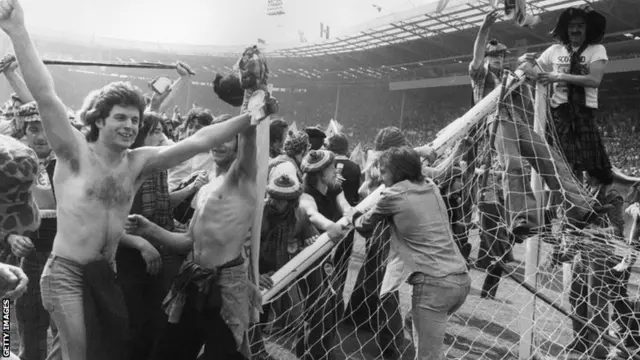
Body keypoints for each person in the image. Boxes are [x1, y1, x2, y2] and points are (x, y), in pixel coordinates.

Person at [0, 1, 276, 358]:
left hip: (107, 272)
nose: (130, 126)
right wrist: (18, 30)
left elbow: (199, 140)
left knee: (102, 352)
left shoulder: (137, 162)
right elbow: (46, 95)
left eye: (134, 119)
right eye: (120, 118)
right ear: (99, 120)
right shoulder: (74, 152)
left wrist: (251, 114)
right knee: (77, 353)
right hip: (66, 272)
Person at [126, 109, 276, 360]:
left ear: (238, 144)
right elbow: (187, 242)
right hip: (192, 280)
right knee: (167, 353)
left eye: (228, 138)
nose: (219, 144)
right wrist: (147, 228)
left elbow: (249, 139)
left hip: (225, 286)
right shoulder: (206, 188)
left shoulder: (244, 179)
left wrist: (253, 103)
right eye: (218, 138)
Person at [352, 146, 470, 360]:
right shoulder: (430, 185)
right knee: (413, 324)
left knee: (428, 357)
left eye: (384, 171)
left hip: (435, 285)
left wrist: (354, 213)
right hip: (461, 281)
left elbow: (363, 226)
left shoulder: (393, 195)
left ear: (397, 171)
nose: (381, 176)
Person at [521, 5, 610, 183]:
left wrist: (559, 76)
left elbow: (594, 80)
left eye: (580, 26)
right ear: (565, 29)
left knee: (597, 169)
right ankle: (569, 207)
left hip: (584, 113)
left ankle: (593, 202)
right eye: (571, 26)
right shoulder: (555, 50)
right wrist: (523, 60)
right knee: (566, 165)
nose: (575, 30)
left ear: (587, 28)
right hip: (560, 115)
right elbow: (528, 67)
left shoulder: (597, 49)